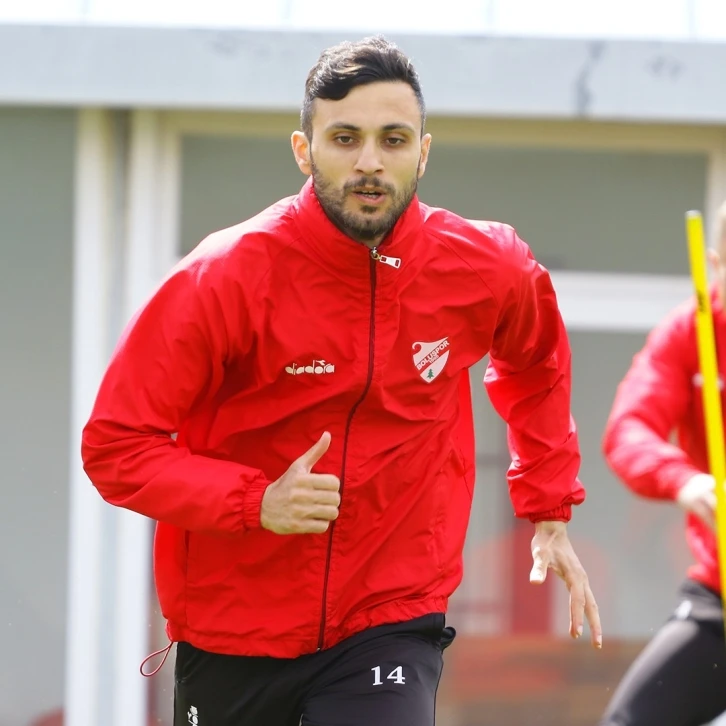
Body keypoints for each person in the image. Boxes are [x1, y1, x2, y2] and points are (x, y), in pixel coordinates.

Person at [81, 35, 601, 726]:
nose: (369, 162)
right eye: (345, 138)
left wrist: (548, 508)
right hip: (235, 625)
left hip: (390, 617)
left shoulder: (489, 266)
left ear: (423, 152)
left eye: (393, 140)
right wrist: (256, 501)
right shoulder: (224, 276)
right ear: (304, 150)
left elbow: (535, 364)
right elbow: (116, 447)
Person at [599, 201, 726, 726]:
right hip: (719, 596)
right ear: (715, 265)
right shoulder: (690, 332)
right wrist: (685, 481)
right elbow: (628, 428)